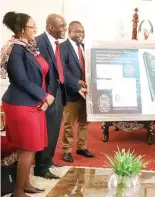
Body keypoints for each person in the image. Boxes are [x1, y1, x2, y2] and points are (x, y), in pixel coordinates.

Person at [1, 11, 54, 197]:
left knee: (32, 148)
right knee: (27, 148)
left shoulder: (28, 47)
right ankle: (18, 191)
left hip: (34, 102)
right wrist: (44, 96)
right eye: (32, 26)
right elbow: (21, 80)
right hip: (21, 104)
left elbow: (39, 74)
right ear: (22, 30)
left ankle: (26, 184)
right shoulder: (15, 49)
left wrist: (43, 96)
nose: (35, 29)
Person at [34, 14, 67, 179]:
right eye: (62, 26)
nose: (64, 29)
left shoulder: (56, 43)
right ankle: (41, 167)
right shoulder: (39, 42)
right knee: (46, 130)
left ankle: (49, 160)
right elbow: (37, 71)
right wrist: (45, 94)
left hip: (58, 92)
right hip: (47, 94)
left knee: (54, 130)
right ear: (51, 27)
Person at [60, 21, 92, 162]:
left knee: (84, 122)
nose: (81, 34)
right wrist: (76, 83)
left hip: (87, 93)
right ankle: (67, 150)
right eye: (77, 31)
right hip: (72, 93)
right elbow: (62, 70)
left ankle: (82, 147)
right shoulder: (62, 48)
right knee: (69, 124)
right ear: (70, 32)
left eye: (82, 31)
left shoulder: (86, 47)